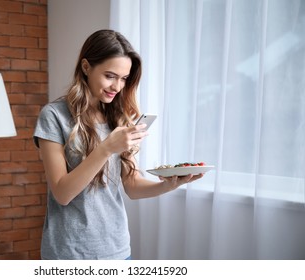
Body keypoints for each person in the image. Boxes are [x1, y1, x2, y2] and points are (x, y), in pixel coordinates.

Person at [33, 29, 203, 260]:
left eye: (124, 78)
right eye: (110, 76)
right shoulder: (54, 116)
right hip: (69, 253)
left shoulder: (118, 118)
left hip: (117, 250)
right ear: (86, 67)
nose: (117, 86)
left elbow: (131, 185)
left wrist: (168, 185)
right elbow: (62, 193)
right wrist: (106, 148)